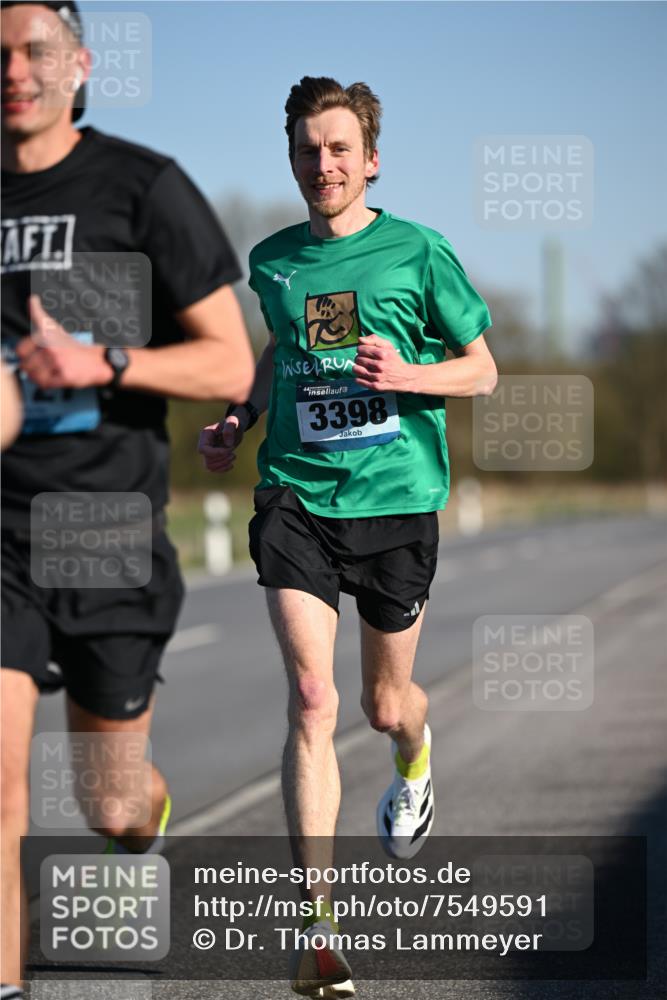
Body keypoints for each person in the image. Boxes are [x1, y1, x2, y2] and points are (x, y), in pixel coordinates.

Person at [199, 75, 496, 998]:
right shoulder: (274, 261)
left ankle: (414, 756)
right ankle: (317, 927)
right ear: (291, 160)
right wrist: (240, 418)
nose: (320, 165)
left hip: (397, 500)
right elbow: (277, 351)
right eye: (306, 150)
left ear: (370, 161)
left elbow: (481, 371)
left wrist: (408, 375)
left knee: (381, 704)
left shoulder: (418, 251)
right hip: (296, 495)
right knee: (311, 697)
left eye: (337, 149)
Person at [0, 3, 254, 996]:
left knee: (111, 805)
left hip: (106, 524)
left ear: (79, 65)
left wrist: (101, 360)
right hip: (1, 531)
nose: (14, 70)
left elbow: (230, 363)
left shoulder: (141, 187)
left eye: (35, 52)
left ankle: (137, 829)